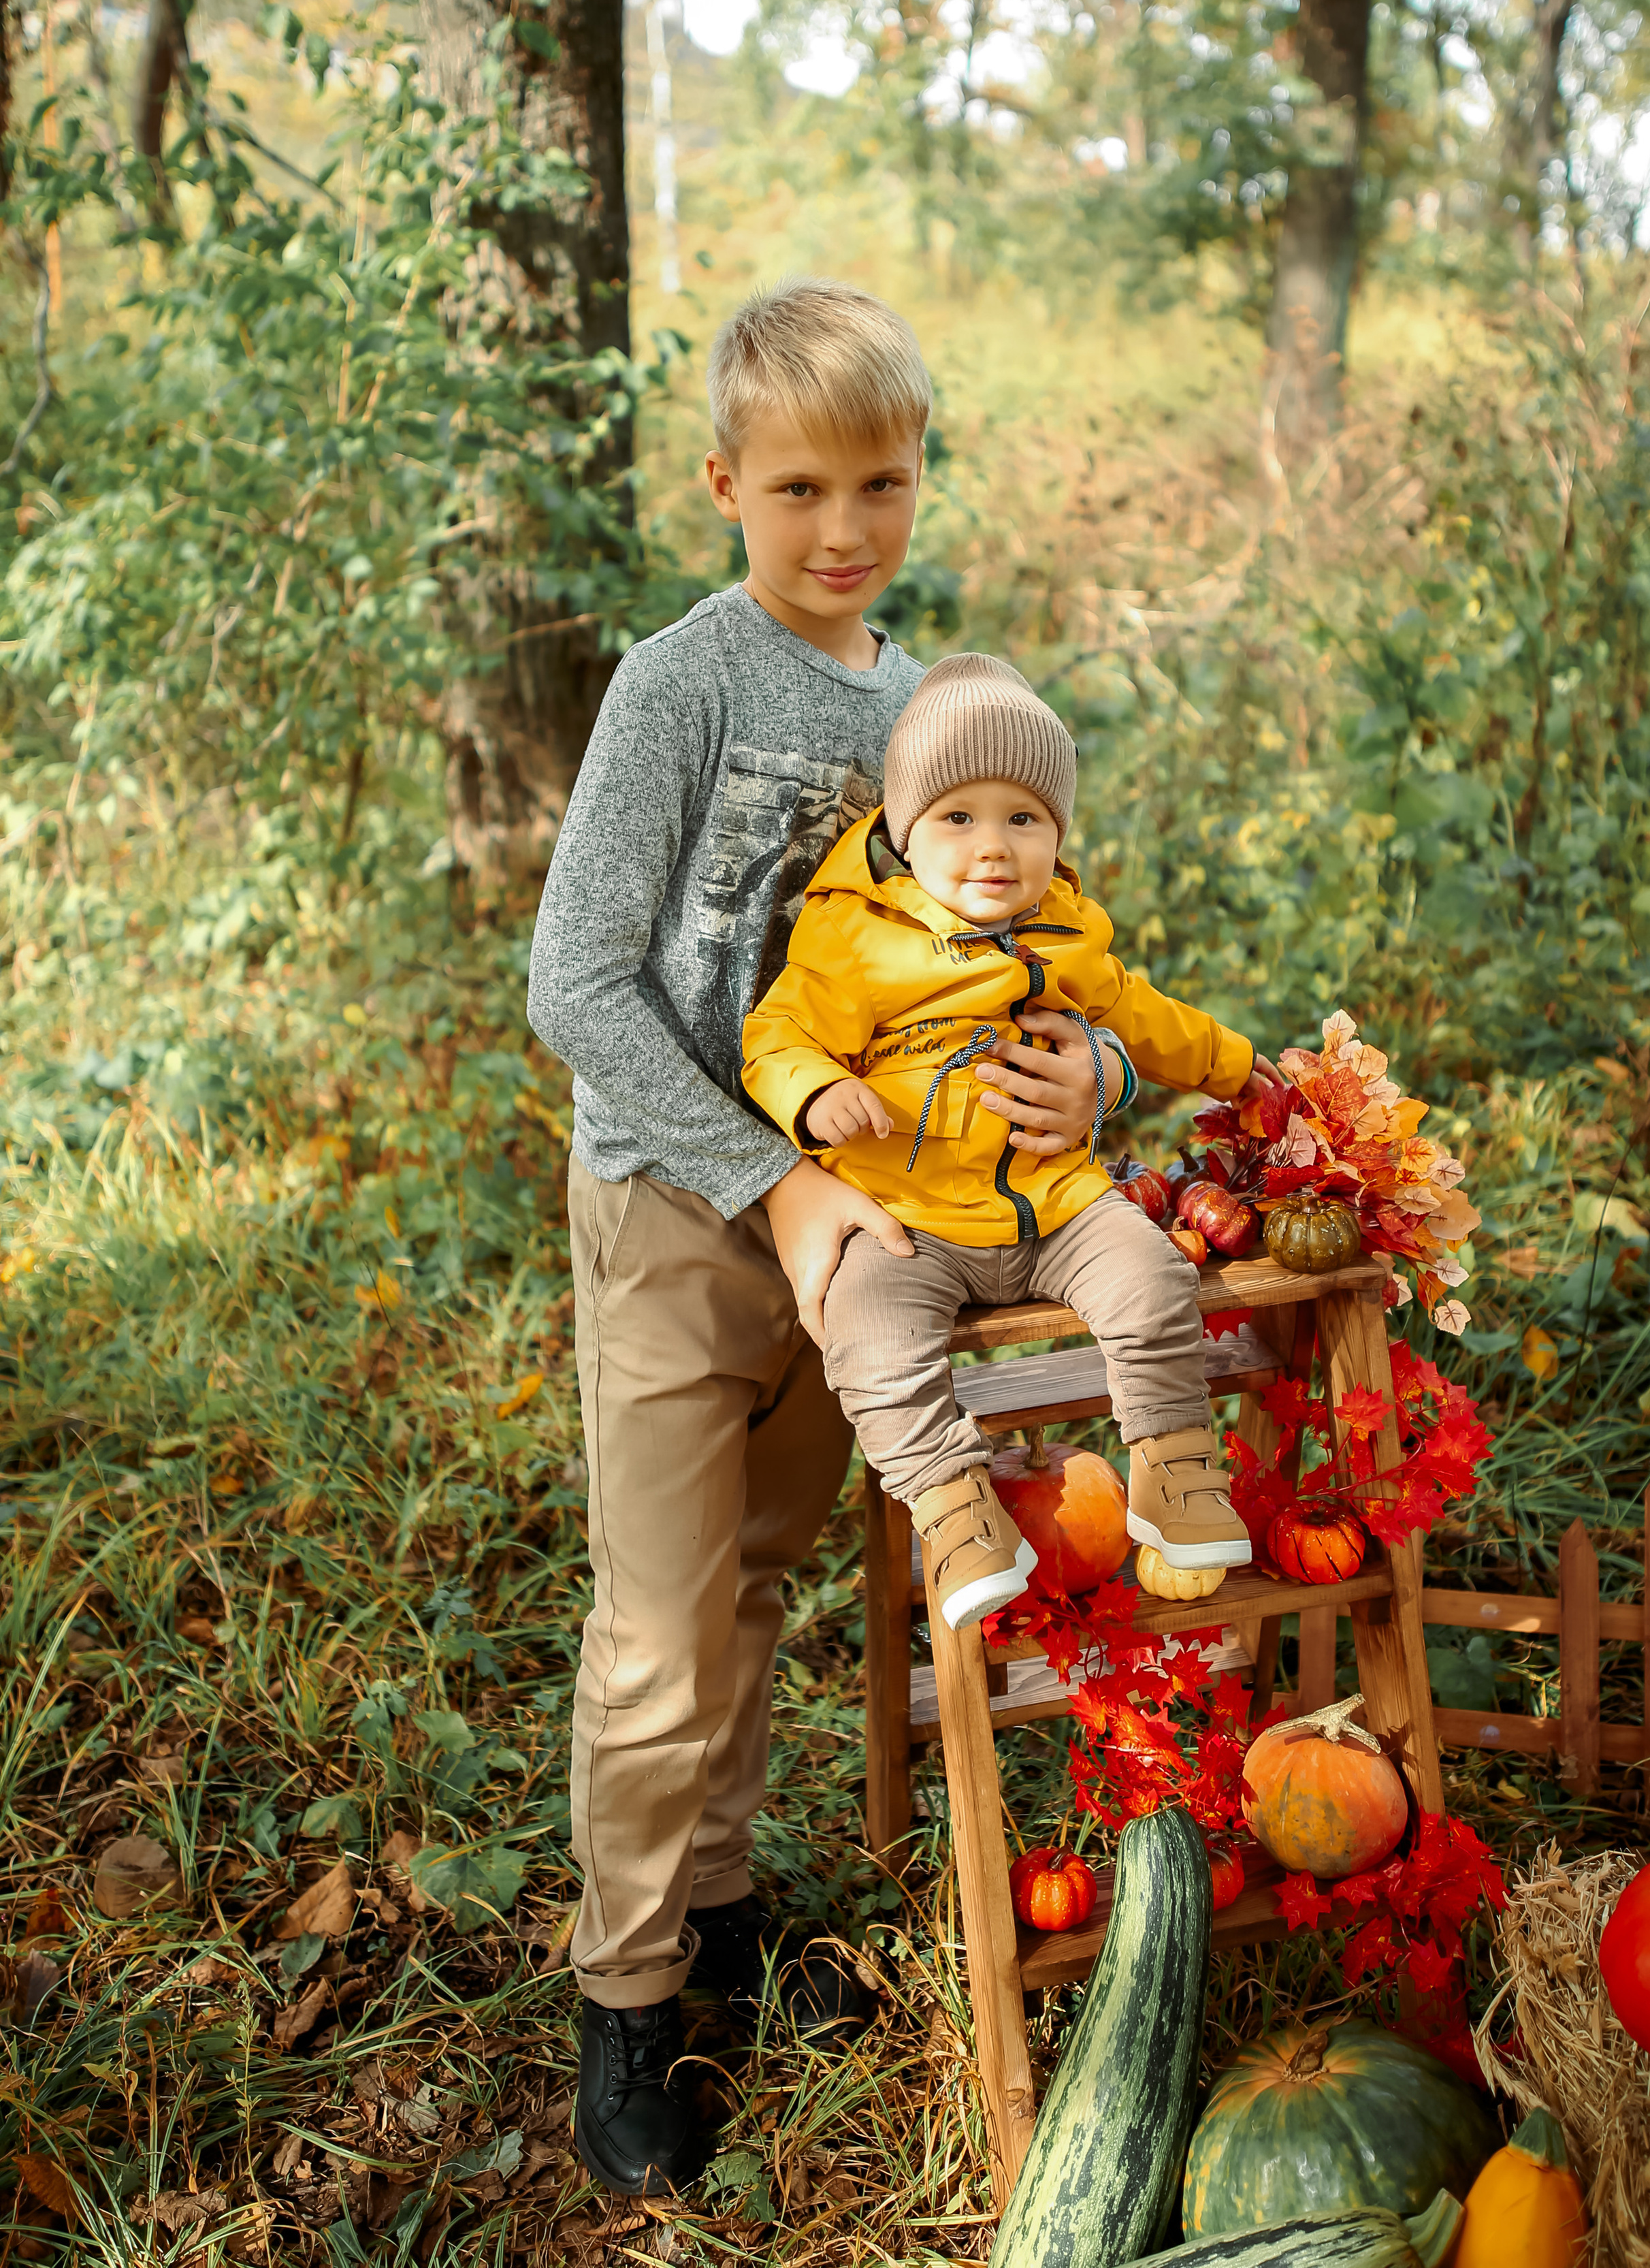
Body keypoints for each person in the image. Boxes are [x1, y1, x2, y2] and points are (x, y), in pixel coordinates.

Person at [525, 280, 1119, 2198]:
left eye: (878, 481)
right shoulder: (678, 685)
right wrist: (766, 1175)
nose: (844, 528)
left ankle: (711, 1914)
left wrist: (1090, 1064)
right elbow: (577, 984)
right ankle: (624, 2002)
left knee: (763, 1582)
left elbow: (1029, 923)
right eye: (798, 488)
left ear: (920, 474)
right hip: (681, 1212)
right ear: (724, 484)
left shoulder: (922, 707)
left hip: (863, 1238)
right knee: (660, 1630)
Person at [741, 652, 1284, 1633]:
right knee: (865, 1335)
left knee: (1153, 1279)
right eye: (958, 817)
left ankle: (1176, 1472)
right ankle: (951, 1507)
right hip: (911, 1223)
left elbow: (1148, 1019)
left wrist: (1240, 1067)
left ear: (1058, 833)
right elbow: (777, 1034)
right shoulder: (857, 937)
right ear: (907, 836)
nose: (992, 848)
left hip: (1056, 1206)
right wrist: (816, 1092)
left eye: (1023, 819)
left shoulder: (1066, 935)